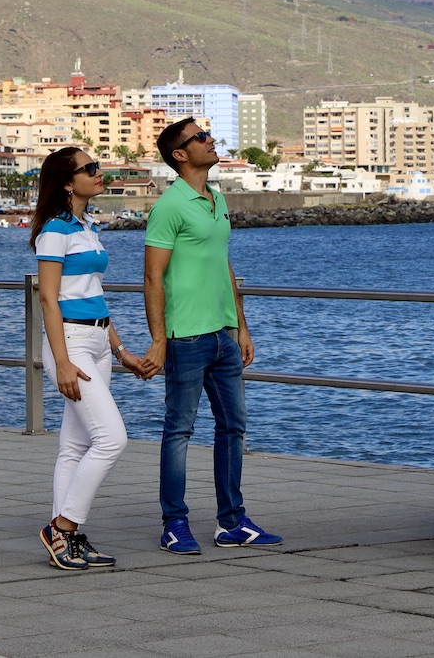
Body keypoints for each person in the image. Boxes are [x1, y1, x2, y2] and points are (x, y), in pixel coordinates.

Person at [141, 117, 282, 552]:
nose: (210, 139)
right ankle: (174, 523)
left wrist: (241, 325)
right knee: (179, 430)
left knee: (233, 427)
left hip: (222, 333)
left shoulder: (216, 200)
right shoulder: (169, 206)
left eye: (208, 134)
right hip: (185, 336)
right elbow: (152, 276)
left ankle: (232, 522)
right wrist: (159, 339)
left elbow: (223, 265)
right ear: (180, 155)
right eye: (200, 137)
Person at [31, 145, 151, 570]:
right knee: (112, 438)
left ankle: (70, 539)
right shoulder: (55, 230)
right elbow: (48, 299)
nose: (99, 173)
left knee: (76, 444)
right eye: (90, 169)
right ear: (67, 182)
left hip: (98, 342)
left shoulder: (87, 226)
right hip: (72, 344)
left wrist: (120, 350)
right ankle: (60, 528)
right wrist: (62, 361)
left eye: (98, 166)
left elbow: (95, 295)